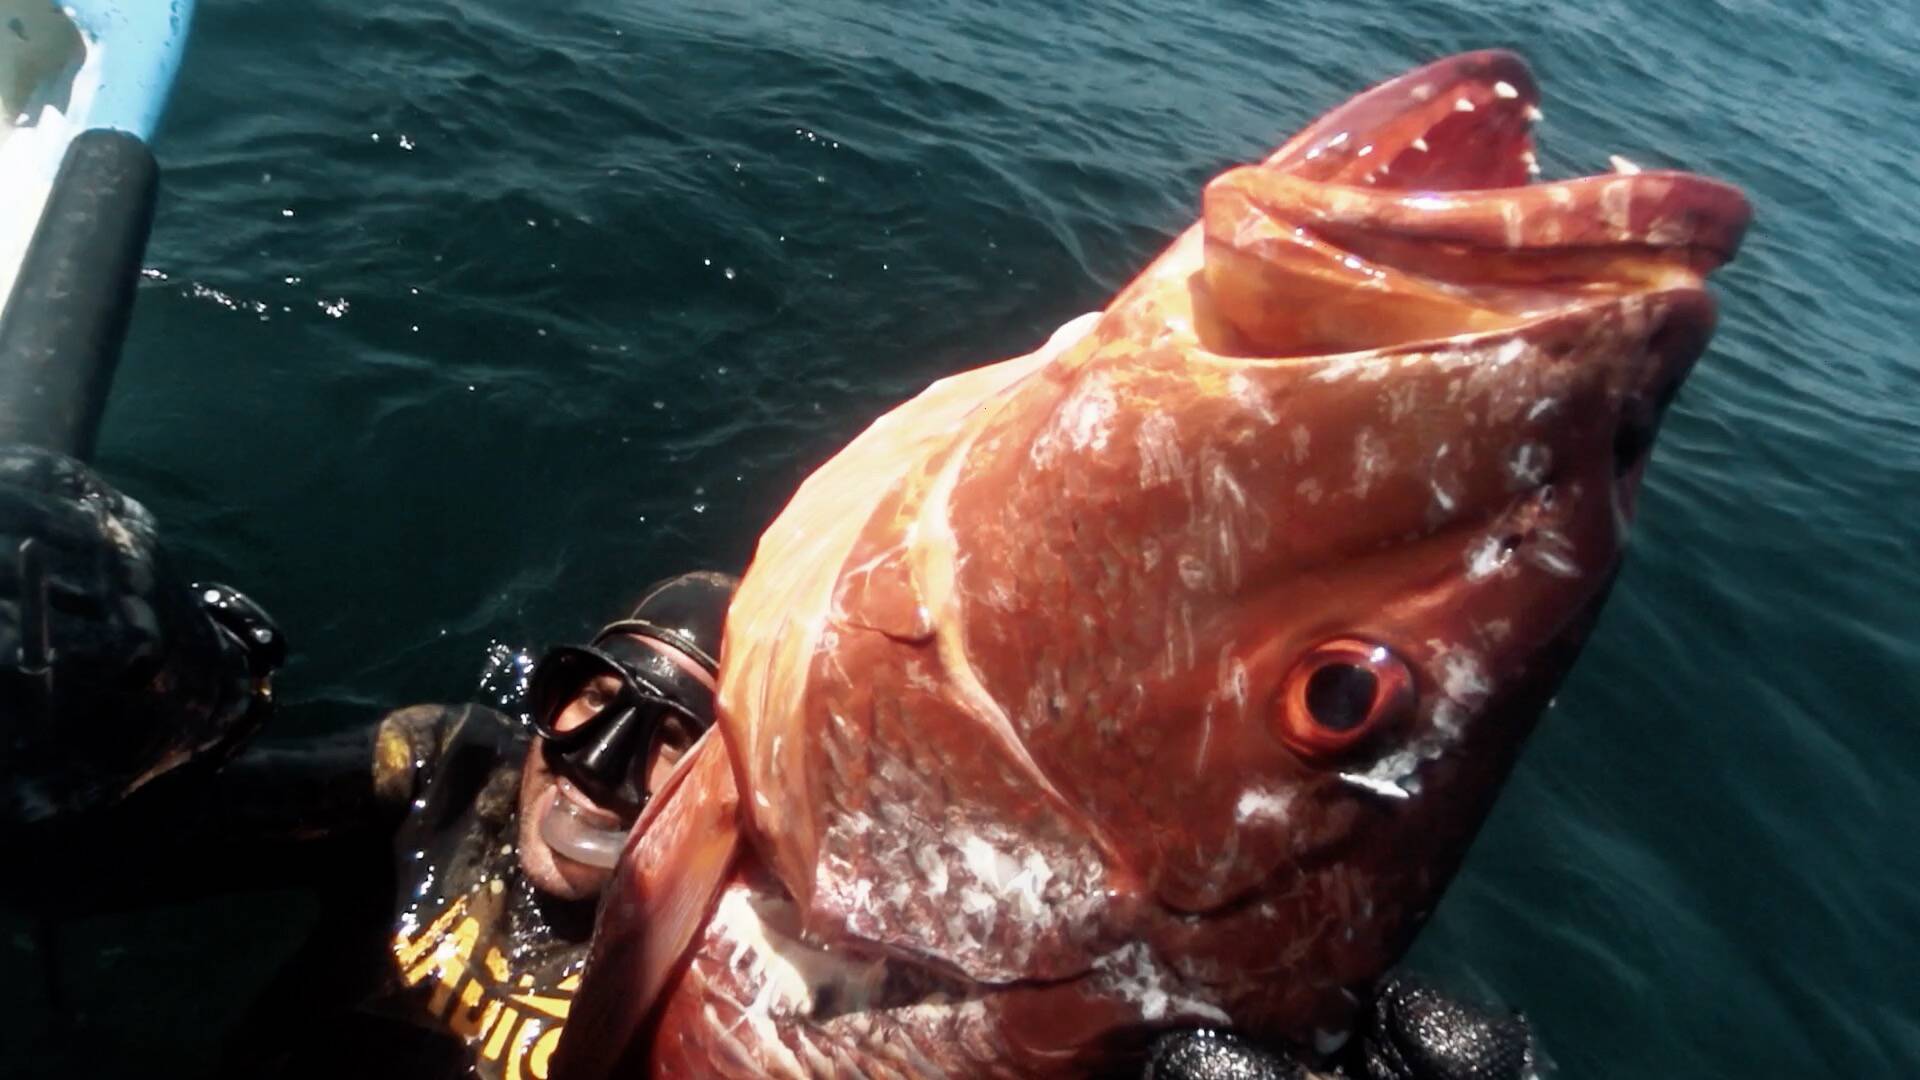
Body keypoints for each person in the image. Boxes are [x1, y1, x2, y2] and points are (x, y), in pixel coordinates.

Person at [0, 445, 1541, 1080]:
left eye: (659, 742)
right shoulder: (440, 776)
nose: (592, 768)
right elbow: (127, 849)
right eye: (579, 702)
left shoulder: (747, 957)